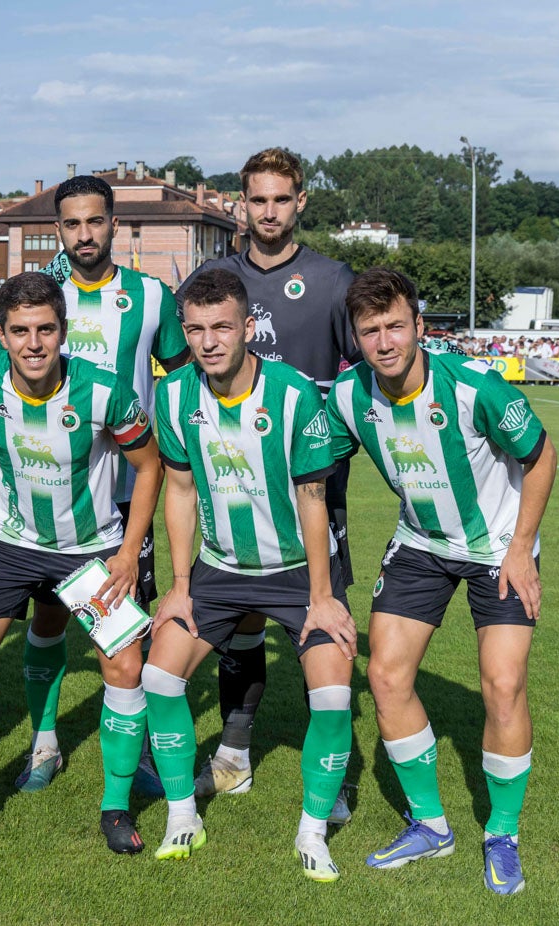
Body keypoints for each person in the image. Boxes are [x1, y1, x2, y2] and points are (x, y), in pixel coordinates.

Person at [326, 268, 556, 895]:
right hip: (422, 545)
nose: (384, 341)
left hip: (497, 549)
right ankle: (431, 824)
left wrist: (520, 551)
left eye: (395, 326)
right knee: (386, 675)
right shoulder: (348, 398)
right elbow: (310, 467)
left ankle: (502, 832)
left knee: (503, 685)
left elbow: (541, 458)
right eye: (369, 331)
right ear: (357, 336)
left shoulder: (476, 388)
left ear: (419, 327)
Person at [0, 272, 162, 852]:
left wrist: (128, 554)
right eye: (21, 331)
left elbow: (151, 467)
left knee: (125, 670)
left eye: (46, 330)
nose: (34, 343)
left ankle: (115, 806)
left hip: (91, 550)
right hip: (10, 544)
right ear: (1, 336)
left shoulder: (106, 393)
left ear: (63, 332)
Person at [146, 268, 356, 880]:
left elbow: (314, 498)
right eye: (196, 329)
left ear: (247, 328)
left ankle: (313, 830)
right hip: (218, 571)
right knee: (159, 678)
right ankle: (182, 814)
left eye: (222, 327)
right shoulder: (174, 395)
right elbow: (180, 491)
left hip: (297, 574)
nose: (209, 341)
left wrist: (323, 596)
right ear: (184, 332)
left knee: (334, 693)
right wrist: (181, 586)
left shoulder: (293, 393)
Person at [174, 149, 359, 820]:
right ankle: (234, 755)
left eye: (281, 199)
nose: (269, 212)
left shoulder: (333, 280)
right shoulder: (210, 278)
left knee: (320, 627)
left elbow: (361, 378)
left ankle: (333, 776)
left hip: (308, 497)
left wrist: (330, 446)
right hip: (228, 498)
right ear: (239, 204)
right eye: (257, 200)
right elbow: (181, 373)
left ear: (300, 202)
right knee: (236, 631)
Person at [8, 174, 186, 796]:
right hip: (51, 493)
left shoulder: (152, 296)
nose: (84, 235)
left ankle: (135, 755)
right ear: (58, 229)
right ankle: (46, 741)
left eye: (95, 221)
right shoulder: (37, 298)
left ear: (114, 223)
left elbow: (183, 377)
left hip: (124, 494)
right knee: (49, 621)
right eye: (71, 224)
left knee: (127, 633)